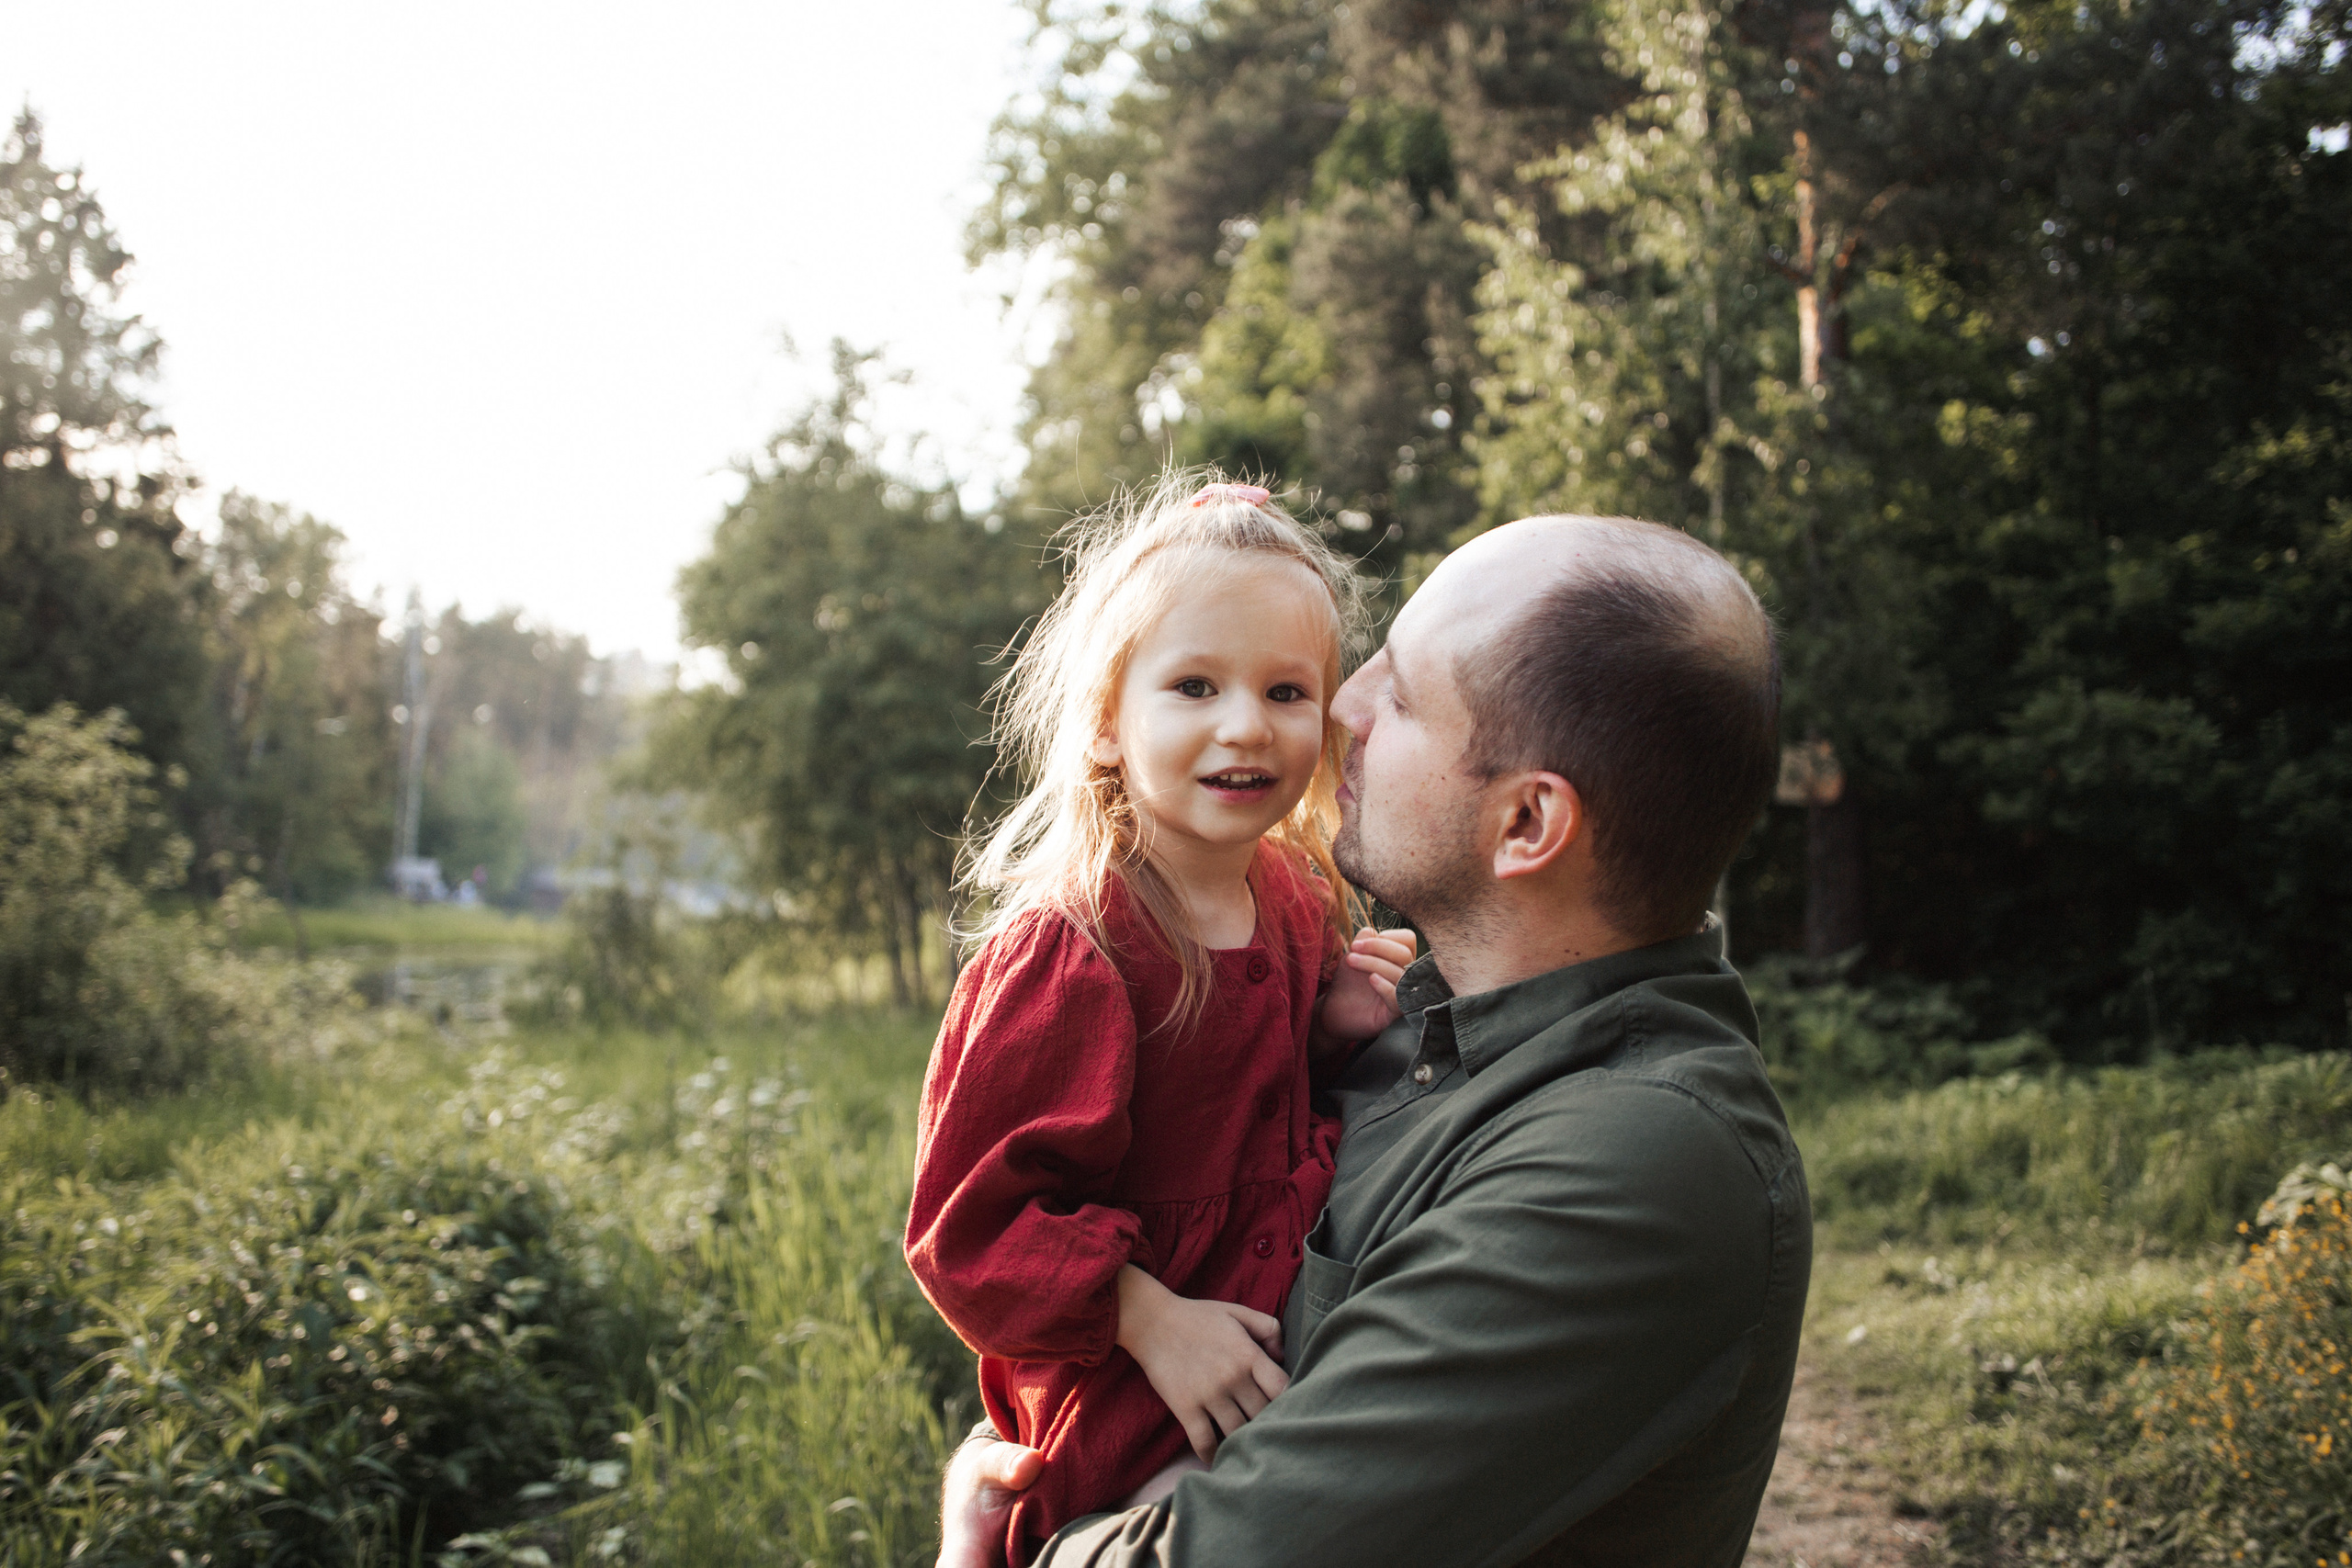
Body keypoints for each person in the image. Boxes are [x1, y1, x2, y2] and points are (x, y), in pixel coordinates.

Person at [937, 513, 1812, 1568]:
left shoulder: (1634, 1166)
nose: (1339, 709)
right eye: (1197, 685)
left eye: (1396, 693)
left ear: (1527, 824)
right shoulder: (1416, 1012)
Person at [905, 473, 1421, 1566]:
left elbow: (1258, 1109)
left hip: (1277, 1357)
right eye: (1194, 685)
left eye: (1287, 692)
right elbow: (970, 1230)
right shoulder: (1076, 947)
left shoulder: (1292, 897)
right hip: (1145, 1403)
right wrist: (1149, 1318)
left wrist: (1329, 1032)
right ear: (1104, 722)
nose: (1247, 725)